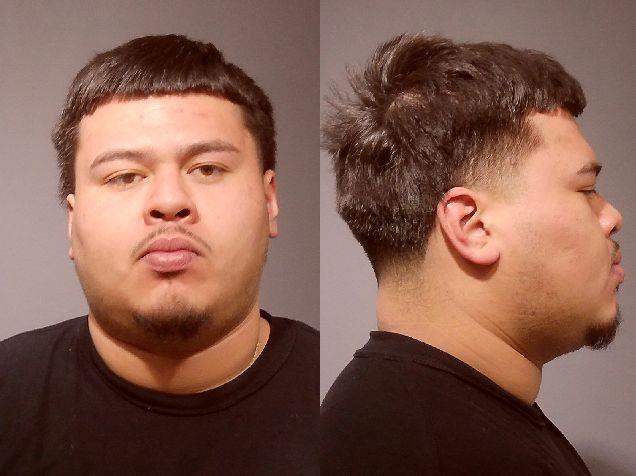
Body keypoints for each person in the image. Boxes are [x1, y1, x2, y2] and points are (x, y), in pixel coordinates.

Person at [0, 34, 318, 475]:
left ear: (269, 202)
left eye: (207, 168)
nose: (169, 201)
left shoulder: (346, 403)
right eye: (124, 176)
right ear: (73, 222)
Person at [321, 33, 623, 475]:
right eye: (586, 190)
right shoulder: (435, 453)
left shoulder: (416, 423)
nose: (612, 217)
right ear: (472, 226)